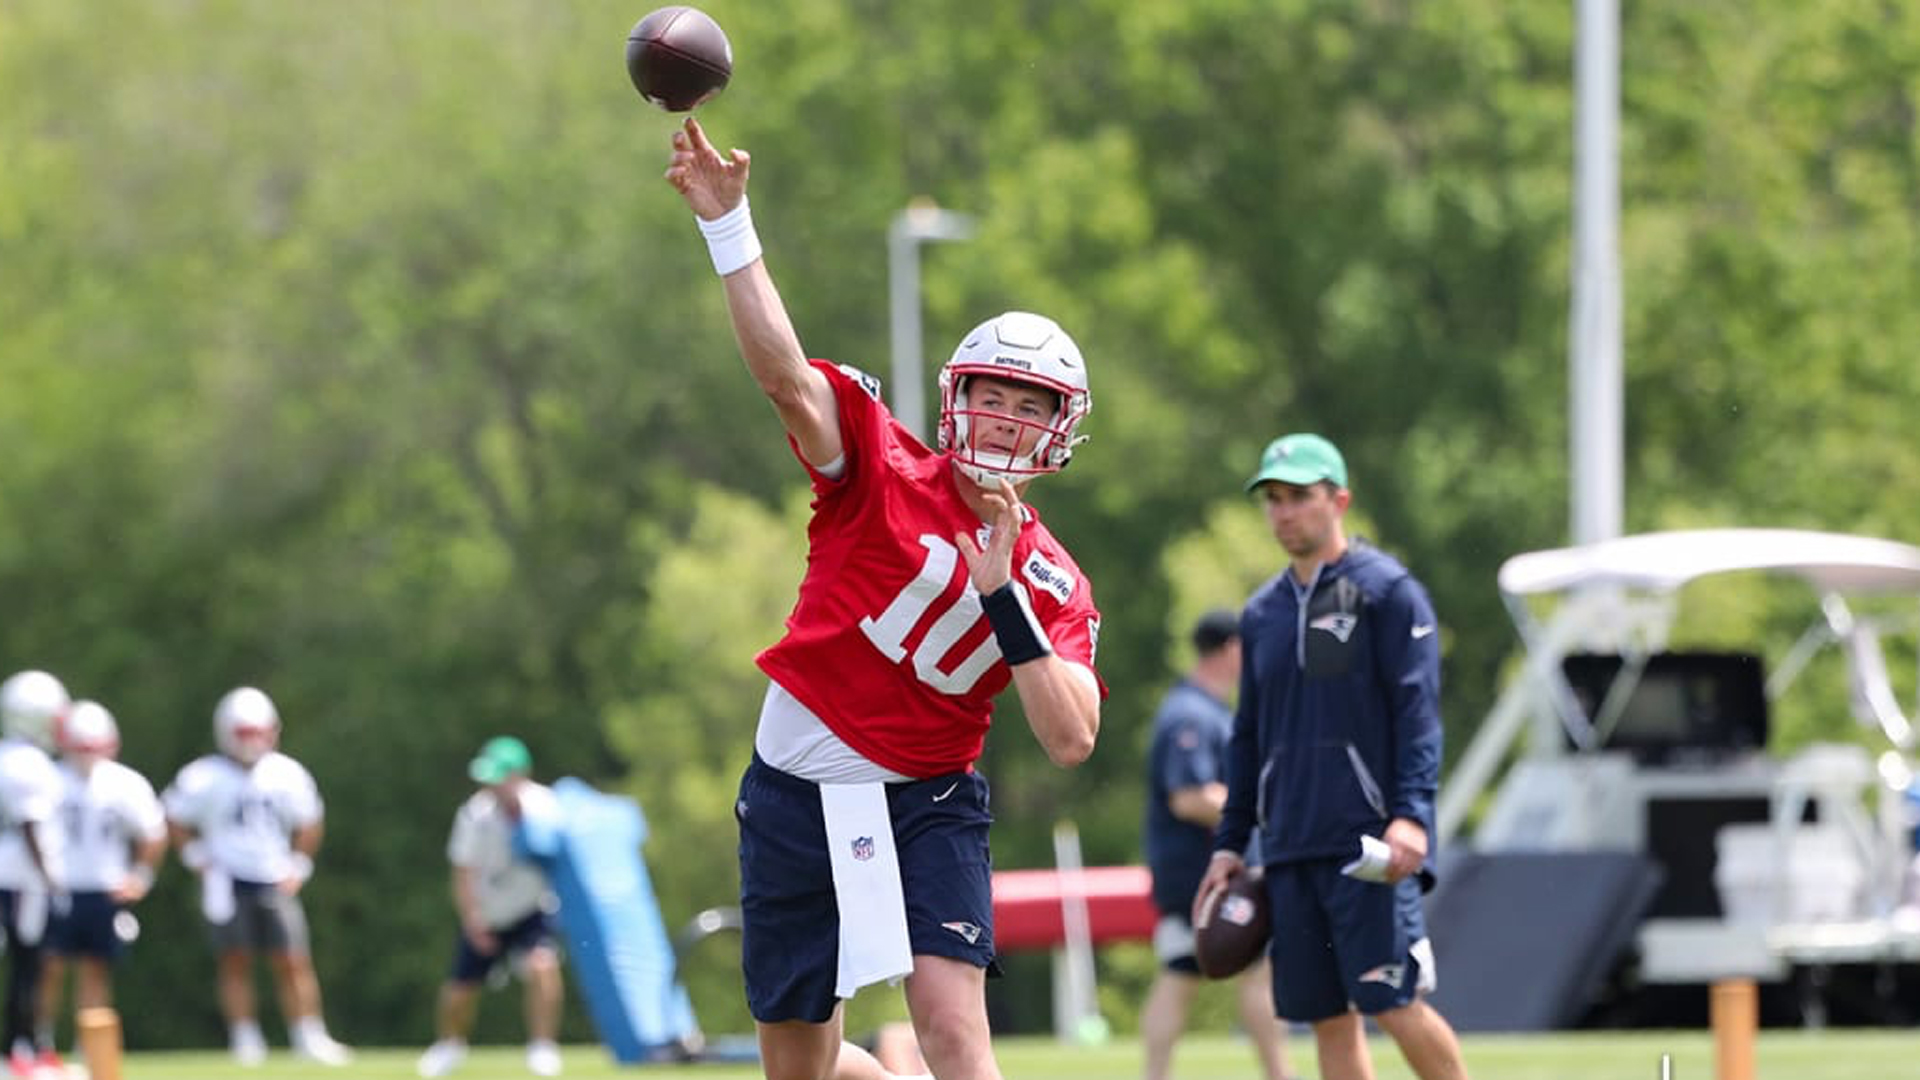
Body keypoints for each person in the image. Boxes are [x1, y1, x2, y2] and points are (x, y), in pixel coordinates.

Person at [665, 116, 1106, 1080]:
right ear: (957, 397)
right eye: (995, 393)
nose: (1006, 417)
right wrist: (729, 229)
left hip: (928, 800)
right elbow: (786, 381)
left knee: (955, 1036)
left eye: (1031, 407)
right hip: (794, 788)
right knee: (803, 1070)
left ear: (1058, 434)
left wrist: (1004, 601)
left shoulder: (1051, 576)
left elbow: (1072, 739)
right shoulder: (879, 462)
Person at [1196, 433, 1469, 1080]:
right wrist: (1231, 843)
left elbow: (1418, 719)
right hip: (1288, 848)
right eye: (1274, 500)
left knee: (1394, 1003)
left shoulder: (1389, 594)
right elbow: (1247, 736)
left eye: (1299, 498)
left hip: (1369, 845)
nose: (1285, 512)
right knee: (1326, 1017)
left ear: (1338, 500)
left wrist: (1412, 817)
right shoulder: (1260, 614)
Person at [162, 686, 353, 1068]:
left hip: (272, 875)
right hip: (227, 879)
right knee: (234, 960)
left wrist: (299, 863)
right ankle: (245, 1037)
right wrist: (195, 855)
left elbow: (310, 820)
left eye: (257, 732)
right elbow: (171, 816)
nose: (252, 742)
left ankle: (308, 1035)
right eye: (244, 733)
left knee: (293, 959)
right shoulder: (203, 776)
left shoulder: (287, 772)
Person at [1142, 611, 1295, 1080]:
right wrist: (1263, 806)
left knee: (1188, 974)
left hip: (1210, 871)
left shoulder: (1210, 710)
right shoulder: (1189, 714)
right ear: (1231, 648)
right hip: (1202, 872)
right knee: (1238, 972)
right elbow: (1190, 797)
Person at [416, 736, 565, 1079]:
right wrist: (473, 920)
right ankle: (449, 1045)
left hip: (533, 907)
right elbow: (463, 873)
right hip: (488, 912)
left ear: (520, 774)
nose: (491, 785)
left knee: (543, 967)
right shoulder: (474, 814)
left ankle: (543, 1047)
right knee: (459, 990)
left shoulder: (547, 807)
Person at [37, 700, 166, 1060]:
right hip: (55, 886)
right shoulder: (48, 778)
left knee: (96, 970)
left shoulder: (125, 783)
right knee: (47, 967)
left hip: (104, 889)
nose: (87, 756)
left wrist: (139, 877)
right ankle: (38, 1041)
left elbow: (153, 833)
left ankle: (87, 1046)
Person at [0, 670, 70, 1079]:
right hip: (19, 877)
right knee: (29, 964)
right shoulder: (32, 765)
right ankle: (18, 1050)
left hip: (11, 872)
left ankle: (22, 1047)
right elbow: (30, 825)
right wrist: (50, 877)